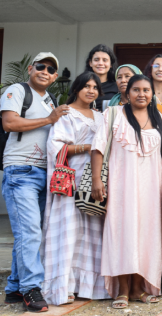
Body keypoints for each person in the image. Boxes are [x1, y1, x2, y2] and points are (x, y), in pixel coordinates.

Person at [91, 75, 162, 308]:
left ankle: (138, 289)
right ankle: (122, 290)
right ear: (128, 93)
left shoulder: (158, 118)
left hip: (151, 187)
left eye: (146, 90)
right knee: (122, 233)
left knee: (147, 235)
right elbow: (98, 147)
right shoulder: (114, 114)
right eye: (136, 89)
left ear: (152, 93)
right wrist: (97, 180)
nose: (142, 94)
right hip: (121, 185)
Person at [0, 52, 66, 312]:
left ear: (55, 76)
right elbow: (9, 123)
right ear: (30, 68)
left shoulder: (50, 99)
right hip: (20, 171)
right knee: (30, 232)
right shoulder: (18, 90)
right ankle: (31, 288)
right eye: (41, 66)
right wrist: (50, 119)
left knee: (28, 234)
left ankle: (14, 288)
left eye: (51, 69)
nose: (45, 71)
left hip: (43, 173)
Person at [42, 72, 108, 306]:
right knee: (69, 231)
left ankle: (91, 286)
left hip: (95, 180)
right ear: (76, 88)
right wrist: (85, 147)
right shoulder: (66, 113)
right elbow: (55, 147)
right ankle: (65, 286)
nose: (91, 91)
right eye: (86, 86)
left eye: (95, 87)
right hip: (71, 179)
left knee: (93, 230)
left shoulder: (101, 117)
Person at [83, 45, 118, 110]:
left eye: (105, 60)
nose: (100, 63)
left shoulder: (117, 86)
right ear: (90, 63)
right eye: (96, 60)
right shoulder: (80, 84)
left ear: (111, 64)